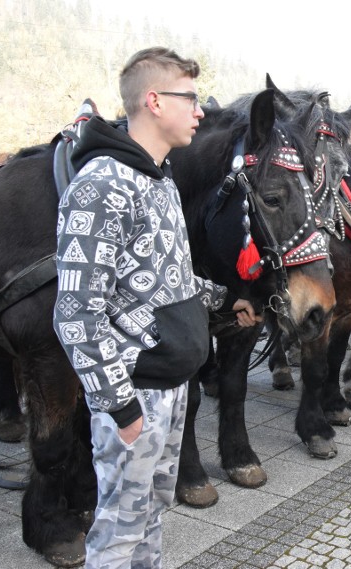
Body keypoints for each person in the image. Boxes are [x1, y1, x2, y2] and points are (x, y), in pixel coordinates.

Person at [53, 47, 260, 568]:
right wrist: (118, 405)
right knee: (119, 533)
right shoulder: (102, 185)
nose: (200, 111)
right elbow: (76, 311)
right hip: (136, 396)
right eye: (189, 98)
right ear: (153, 100)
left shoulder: (158, 178)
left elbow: (164, 276)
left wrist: (222, 298)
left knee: (150, 516)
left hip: (172, 388)